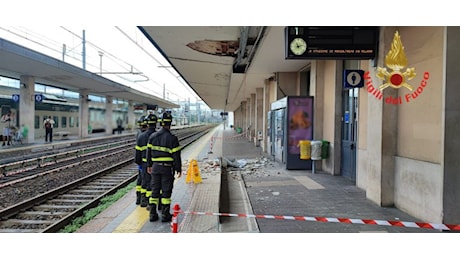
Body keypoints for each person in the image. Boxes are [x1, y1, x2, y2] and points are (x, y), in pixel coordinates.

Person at [147, 112, 182, 222]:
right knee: (166, 191)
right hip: (167, 168)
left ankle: (152, 214)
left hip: (155, 168)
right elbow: (176, 156)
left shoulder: (152, 137)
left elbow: (148, 153)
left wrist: (149, 165)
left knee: (155, 191)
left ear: (161, 123)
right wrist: (178, 168)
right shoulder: (172, 138)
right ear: (170, 123)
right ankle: (165, 215)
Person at [135, 113, 158, 208]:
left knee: (145, 183)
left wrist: (139, 163)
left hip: (144, 164)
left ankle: (143, 201)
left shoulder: (141, 136)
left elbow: (138, 153)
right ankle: (154, 203)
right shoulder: (157, 135)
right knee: (155, 183)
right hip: (156, 164)